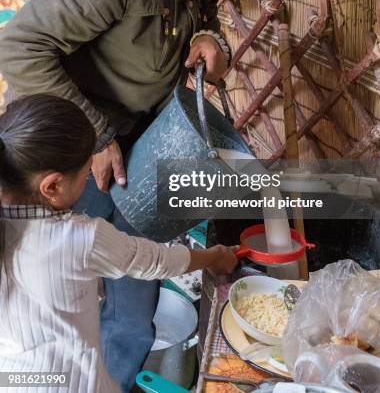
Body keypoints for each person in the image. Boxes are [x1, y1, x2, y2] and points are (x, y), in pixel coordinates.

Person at [0, 0, 292, 390]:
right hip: (72, 153)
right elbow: (19, 48)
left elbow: (201, 22)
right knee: (53, 296)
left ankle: (118, 377)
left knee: (134, 291)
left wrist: (212, 39)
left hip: (139, 144)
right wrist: (98, 135)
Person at [0, 94, 238, 393]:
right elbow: (155, 261)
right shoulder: (81, 237)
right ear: (53, 186)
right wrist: (213, 256)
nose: (91, 177)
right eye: (86, 173)